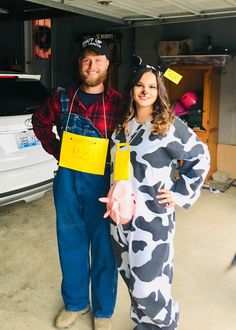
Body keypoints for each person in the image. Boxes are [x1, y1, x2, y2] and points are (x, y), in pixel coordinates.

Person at [108, 62, 210, 330]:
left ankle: (167, 323)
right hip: (119, 219)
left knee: (148, 287)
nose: (145, 91)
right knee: (130, 278)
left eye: (152, 86)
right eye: (140, 85)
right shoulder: (122, 126)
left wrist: (179, 193)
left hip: (152, 219)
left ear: (159, 91)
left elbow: (200, 158)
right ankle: (144, 325)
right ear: (132, 89)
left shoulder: (168, 126)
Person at [32, 37, 124, 330]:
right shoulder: (62, 97)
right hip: (68, 179)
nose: (92, 65)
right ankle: (75, 302)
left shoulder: (119, 102)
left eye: (98, 60)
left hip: (102, 183)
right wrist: (58, 150)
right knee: (70, 243)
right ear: (79, 64)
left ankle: (104, 310)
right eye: (86, 59)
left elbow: (126, 145)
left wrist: (121, 182)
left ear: (107, 64)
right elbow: (39, 122)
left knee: (103, 247)